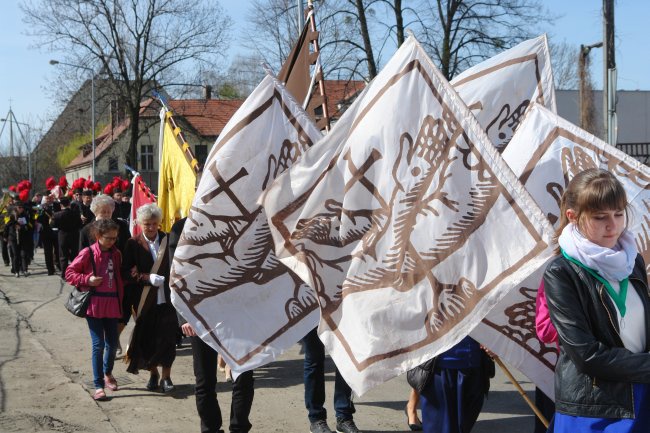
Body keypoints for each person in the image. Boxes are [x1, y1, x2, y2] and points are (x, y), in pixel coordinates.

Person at [544, 168, 650, 432]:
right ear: (573, 217)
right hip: (594, 409)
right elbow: (586, 354)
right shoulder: (561, 272)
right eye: (600, 217)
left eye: (618, 214)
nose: (613, 225)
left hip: (642, 395)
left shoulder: (632, 260)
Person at [169, 216, 255, 433]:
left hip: (238, 313)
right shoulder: (182, 227)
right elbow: (175, 276)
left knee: (243, 375)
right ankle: (210, 428)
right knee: (205, 381)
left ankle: (239, 427)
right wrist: (184, 317)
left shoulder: (243, 220)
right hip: (199, 316)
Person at [65, 219, 124, 401]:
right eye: (108, 238)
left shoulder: (117, 253)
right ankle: (98, 385)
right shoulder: (87, 252)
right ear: (98, 236)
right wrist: (87, 280)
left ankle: (108, 373)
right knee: (98, 345)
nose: (112, 241)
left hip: (113, 303)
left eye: (115, 238)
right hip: (94, 305)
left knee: (113, 344)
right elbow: (69, 273)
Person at [122, 203, 176, 393]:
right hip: (145, 300)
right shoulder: (133, 243)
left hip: (167, 300)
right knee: (147, 339)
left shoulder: (168, 239)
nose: (151, 227)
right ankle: (153, 374)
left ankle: (166, 377)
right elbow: (127, 271)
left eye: (154, 223)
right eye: (147, 224)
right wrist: (147, 278)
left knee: (168, 339)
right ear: (139, 224)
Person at [79, 194, 130, 355]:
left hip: (118, 276)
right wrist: (87, 278)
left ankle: (115, 339)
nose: (106, 215)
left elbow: (128, 249)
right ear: (95, 213)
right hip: (97, 280)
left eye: (109, 212)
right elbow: (80, 256)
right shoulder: (87, 230)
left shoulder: (121, 225)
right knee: (101, 316)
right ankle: (109, 344)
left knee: (123, 312)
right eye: (103, 212)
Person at [418, 336, 493, 433]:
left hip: (474, 366)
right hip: (438, 368)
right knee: (437, 427)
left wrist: (495, 343)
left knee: (463, 426)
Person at [302, 327, 360, 433]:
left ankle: (344, 418)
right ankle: (316, 419)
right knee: (314, 358)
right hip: (312, 313)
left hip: (342, 311)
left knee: (346, 358)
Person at [51, 197, 83, 278]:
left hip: (63, 236)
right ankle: (74, 272)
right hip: (74, 236)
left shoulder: (57, 215)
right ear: (69, 204)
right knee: (75, 255)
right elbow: (80, 224)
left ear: (61, 205)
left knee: (63, 256)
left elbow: (53, 225)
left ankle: (64, 274)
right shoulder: (76, 214)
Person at [3, 202, 34, 277]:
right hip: (13, 237)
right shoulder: (11, 215)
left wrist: (22, 227)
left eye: (22, 208)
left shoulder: (25, 215)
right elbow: (7, 226)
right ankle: (16, 271)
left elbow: (27, 226)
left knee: (23, 254)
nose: (21, 209)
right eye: (19, 207)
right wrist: (5, 236)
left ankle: (25, 270)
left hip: (23, 237)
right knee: (16, 255)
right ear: (16, 208)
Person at [37, 194, 60, 275]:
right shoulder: (41, 207)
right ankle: (50, 269)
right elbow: (38, 219)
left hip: (57, 231)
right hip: (46, 232)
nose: (49, 200)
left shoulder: (57, 205)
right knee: (48, 252)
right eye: (47, 198)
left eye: (50, 198)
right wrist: (42, 213)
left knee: (58, 250)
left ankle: (58, 265)